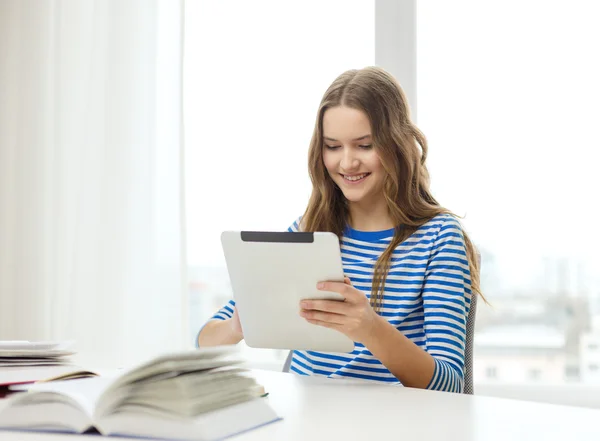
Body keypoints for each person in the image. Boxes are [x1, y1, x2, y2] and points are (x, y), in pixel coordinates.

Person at [196, 66, 483, 393]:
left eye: (364, 145)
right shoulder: (308, 232)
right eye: (333, 146)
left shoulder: (439, 238)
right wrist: (237, 326)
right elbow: (205, 340)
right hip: (306, 421)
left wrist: (369, 328)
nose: (347, 163)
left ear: (396, 144)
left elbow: (449, 385)